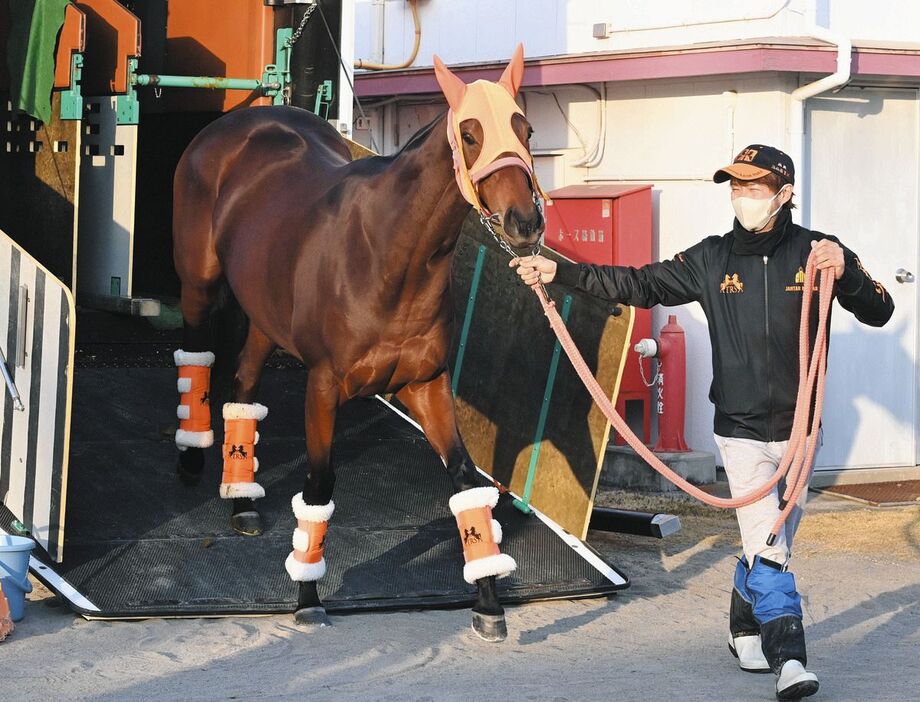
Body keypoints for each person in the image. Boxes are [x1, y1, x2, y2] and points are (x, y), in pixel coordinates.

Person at [510, 144, 894, 700]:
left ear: (783, 194)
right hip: (738, 431)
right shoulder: (711, 258)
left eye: (754, 187)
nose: (743, 197)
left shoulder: (818, 252)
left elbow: (879, 309)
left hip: (800, 431)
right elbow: (639, 283)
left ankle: (743, 630)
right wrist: (560, 271)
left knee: (770, 540)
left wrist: (850, 271)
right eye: (735, 186)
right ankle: (791, 661)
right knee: (772, 547)